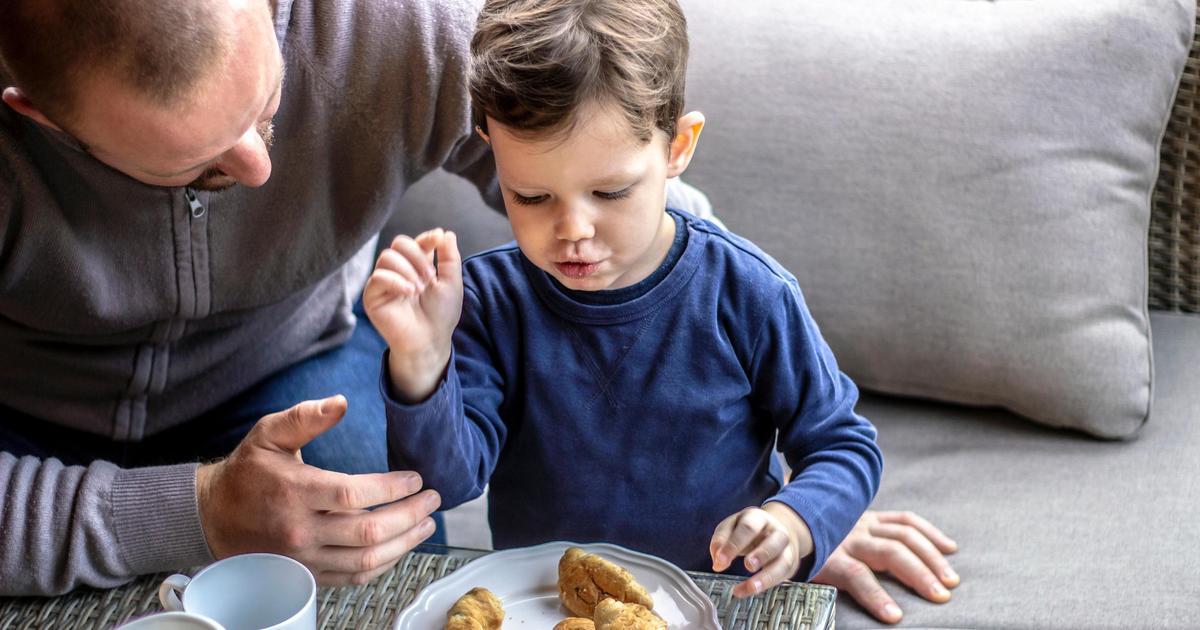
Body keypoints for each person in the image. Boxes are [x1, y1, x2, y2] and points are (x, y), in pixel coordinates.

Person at [0, 0, 959, 622]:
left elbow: (616, 177)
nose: (259, 173)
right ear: (35, 115)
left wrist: (807, 512)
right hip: (32, 425)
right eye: (197, 164)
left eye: (270, 108)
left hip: (286, 375)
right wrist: (416, 362)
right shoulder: (498, 300)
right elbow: (462, 463)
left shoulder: (398, 33)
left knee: (376, 508)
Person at [366, 0, 886, 600]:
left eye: (610, 192)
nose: (573, 230)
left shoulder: (751, 293)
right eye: (531, 197)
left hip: (715, 596)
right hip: (550, 603)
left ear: (677, 148)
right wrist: (422, 362)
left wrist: (795, 522)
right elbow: (443, 486)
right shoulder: (484, 303)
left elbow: (842, 444)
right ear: (491, 149)